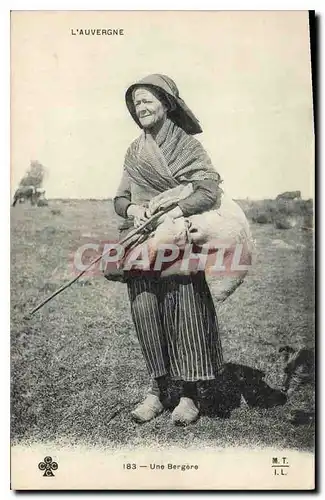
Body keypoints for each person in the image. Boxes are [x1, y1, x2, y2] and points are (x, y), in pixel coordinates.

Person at [111, 74, 252, 425]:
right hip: (141, 242)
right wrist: (134, 210)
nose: (140, 107)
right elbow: (120, 199)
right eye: (136, 102)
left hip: (180, 242)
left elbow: (208, 191)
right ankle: (157, 390)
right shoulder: (135, 151)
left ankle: (189, 396)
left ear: (167, 103)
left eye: (147, 100)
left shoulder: (187, 146)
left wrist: (174, 210)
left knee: (185, 314)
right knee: (146, 313)